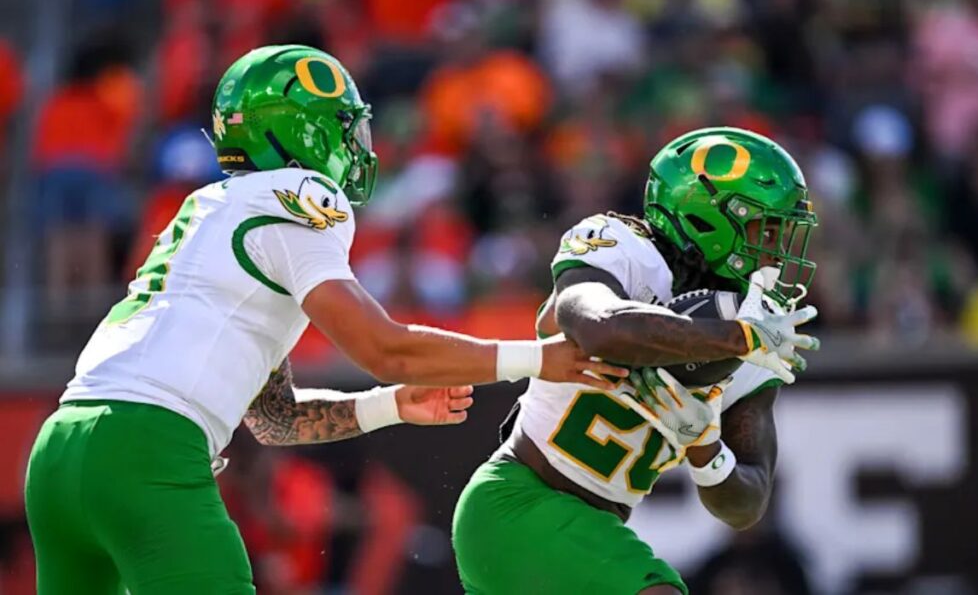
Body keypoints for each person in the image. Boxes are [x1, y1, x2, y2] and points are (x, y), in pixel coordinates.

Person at [23, 45, 624, 595]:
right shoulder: (298, 197)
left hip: (60, 449)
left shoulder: (214, 208)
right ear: (301, 130)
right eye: (345, 127)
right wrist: (540, 358)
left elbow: (275, 419)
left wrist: (390, 405)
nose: (359, 145)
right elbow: (385, 348)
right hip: (148, 447)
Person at [452, 127, 820, 594]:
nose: (775, 248)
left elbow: (747, 503)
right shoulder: (622, 247)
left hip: (588, 530)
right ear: (708, 218)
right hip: (521, 503)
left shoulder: (756, 329)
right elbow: (597, 326)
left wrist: (705, 446)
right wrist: (733, 337)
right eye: (764, 227)